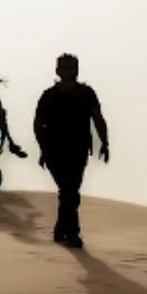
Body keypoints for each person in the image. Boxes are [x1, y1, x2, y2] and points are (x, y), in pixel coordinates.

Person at [33, 53, 109, 247]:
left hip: (79, 148)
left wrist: (105, 142)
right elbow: (38, 123)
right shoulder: (49, 95)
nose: (69, 72)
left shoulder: (86, 93)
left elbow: (97, 117)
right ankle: (71, 233)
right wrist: (42, 148)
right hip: (53, 149)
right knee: (68, 190)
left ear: (78, 69)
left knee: (70, 190)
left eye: (72, 68)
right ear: (57, 71)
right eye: (65, 68)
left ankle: (62, 230)